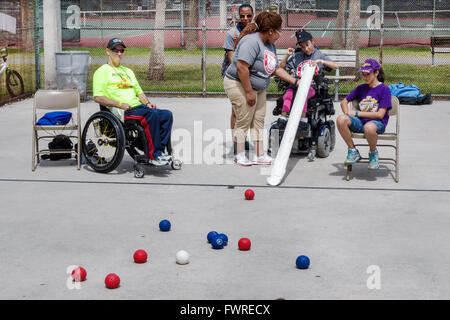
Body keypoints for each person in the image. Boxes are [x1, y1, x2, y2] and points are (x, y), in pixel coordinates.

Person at [223, 11, 299, 166]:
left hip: (258, 87)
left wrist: (295, 81)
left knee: (258, 120)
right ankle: (239, 154)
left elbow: (276, 68)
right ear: (271, 30)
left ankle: (259, 155)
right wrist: (249, 91)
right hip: (239, 84)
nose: (280, 34)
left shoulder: (270, 45)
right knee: (244, 119)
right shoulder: (251, 42)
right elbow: (242, 67)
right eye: (279, 31)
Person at [92, 38, 173, 166]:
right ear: (108, 51)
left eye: (121, 50)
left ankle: (158, 150)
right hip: (121, 110)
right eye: (115, 50)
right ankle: (154, 155)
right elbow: (98, 97)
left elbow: (139, 92)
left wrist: (147, 103)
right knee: (151, 115)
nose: (119, 53)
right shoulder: (102, 72)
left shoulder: (128, 71)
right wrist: (119, 104)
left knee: (166, 115)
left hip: (139, 107)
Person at [336, 58, 392, 170]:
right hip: (360, 123)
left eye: (368, 74)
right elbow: (344, 102)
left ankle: (373, 153)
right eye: (363, 74)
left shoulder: (384, 89)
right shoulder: (361, 88)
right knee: (341, 119)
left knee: (369, 127)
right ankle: (353, 150)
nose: (365, 77)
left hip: (377, 124)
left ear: (376, 73)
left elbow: (380, 115)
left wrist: (357, 113)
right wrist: (347, 113)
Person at [278, 30, 338, 130]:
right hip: (295, 84)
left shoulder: (318, 55)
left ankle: (303, 120)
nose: (305, 48)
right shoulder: (297, 56)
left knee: (303, 94)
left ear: (312, 41)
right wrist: (287, 55)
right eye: (302, 46)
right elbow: (281, 67)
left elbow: (336, 66)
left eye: (307, 44)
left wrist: (321, 61)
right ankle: (283, 118)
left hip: (311, 86)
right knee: (288, 95)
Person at [221, 4, 254, 153]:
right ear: (238, 16)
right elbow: (232, 58)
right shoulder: (232, 34)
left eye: (248, 15)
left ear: (253, 15)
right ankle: (237, 141)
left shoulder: (256, 31)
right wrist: (243, 70)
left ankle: (243, 136)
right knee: (236, 109)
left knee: (249, 109)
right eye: (242, 16)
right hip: (234, 73)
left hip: (249, 72)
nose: (245, 19)